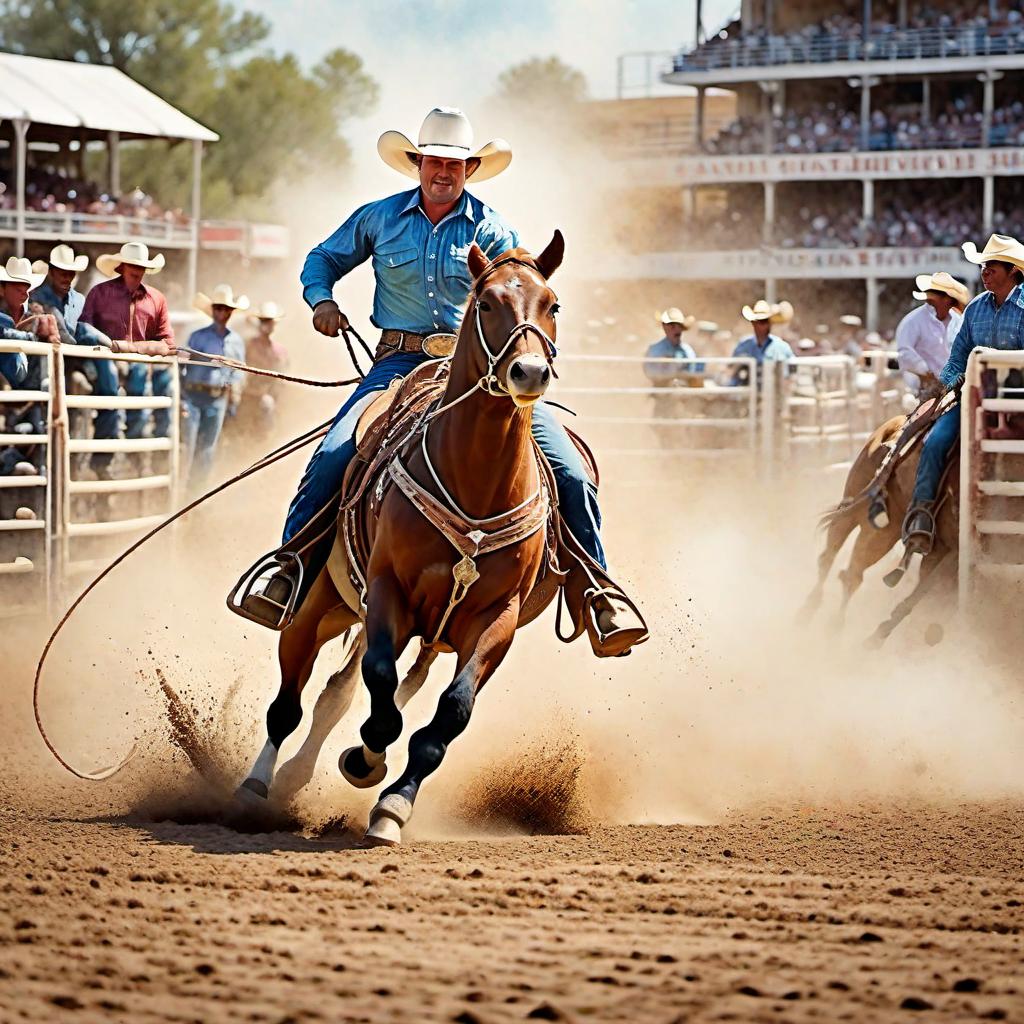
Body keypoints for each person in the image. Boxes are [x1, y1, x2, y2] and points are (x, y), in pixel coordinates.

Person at [244, 106, 646, 655]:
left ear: (469, 171)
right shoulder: (379, 218)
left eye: (455, 165)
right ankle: (289, 568)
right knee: (338, 451)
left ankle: (596, 593)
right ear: (418, 164)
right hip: (397, 363)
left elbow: (520, 289)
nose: (444, 172)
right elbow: (322, 259)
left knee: (570, 470)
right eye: (435, 161)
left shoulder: (493, 229)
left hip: (481, 372)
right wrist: (323, 301)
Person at [903, 235, 1024, 552]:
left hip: (1018, 403)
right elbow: (957, 357)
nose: (985, 272)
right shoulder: (974, 310)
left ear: (1013, 270)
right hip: (974, 399)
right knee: (936, 440)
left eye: (992, 266)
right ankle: (922, 512)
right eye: (983, 266)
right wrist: (950, 381)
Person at [30, 244, 117, 475]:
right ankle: (56, 469)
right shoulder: (37, 298)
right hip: (48, 367)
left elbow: (84, 330)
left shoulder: (79, 299)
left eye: (70, 273)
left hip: (74, 362)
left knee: (108, 384)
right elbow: (64, 333)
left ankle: (100, 459)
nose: (67, 277)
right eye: (62, 272)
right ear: (51, 271)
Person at [80, 241, 174, 443]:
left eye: (142, 266)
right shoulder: (99, 293)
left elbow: (167, 343)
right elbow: (84, 330)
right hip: (106, 364)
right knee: (110, 406)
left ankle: (135, 459)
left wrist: (130, 348)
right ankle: (103, 464)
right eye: (133, 265)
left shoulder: (156, 299)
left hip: (138, 366)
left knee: (140, 411)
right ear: (121, 267)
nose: (138, 270)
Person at [180, 284, 247, 492]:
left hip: (217, 399)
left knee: (207, 450)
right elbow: (182, 365)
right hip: (192, 395)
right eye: (219, 308)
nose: (222, 313)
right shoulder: (197, 337)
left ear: (231, 312)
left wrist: (233, 395)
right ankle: (180, 492)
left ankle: (195, 495)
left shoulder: (236, 341)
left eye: (226, 309)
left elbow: (239, 371)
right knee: (188, 446)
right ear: (213, 310)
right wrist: (181, 396)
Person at [894, 271, 969, 397]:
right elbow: (905, 353)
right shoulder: (913, 321)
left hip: (953, 387)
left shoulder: (958, 321)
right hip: (920, 390)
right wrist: (926, 372)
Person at [241, 301, 289, 435]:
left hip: (269, 398)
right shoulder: (249, 345)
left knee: (264, 434)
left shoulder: (280, 351)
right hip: (247, 397)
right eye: (263, 321)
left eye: (269, 321)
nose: (266, 325)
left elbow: (282, 379)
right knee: (242, 433)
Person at [732, 299, 795, 385]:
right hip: (748, 395)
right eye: (758, 322)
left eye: (765, 321)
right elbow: (733, 372)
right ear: (753, 323)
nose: (761, 326)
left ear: (770, 323)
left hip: (774, 394)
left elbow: (792, 373)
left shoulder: (782, 347)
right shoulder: (743, 345)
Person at [643, 308, 698, 384]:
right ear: (664, 327)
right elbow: (648, 372)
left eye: (679, 325)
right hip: (660, 390)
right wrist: (662, 369)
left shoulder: (688, 351)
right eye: (672, 325)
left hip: (682, 391)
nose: (676, 329)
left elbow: (691, 371)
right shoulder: (654, 349)